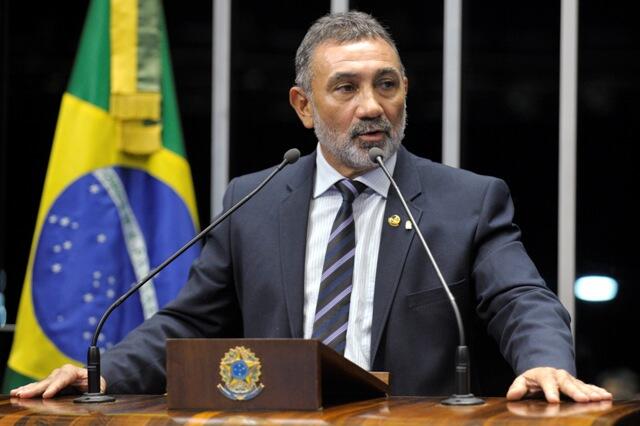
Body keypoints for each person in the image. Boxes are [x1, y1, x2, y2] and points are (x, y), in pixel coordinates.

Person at [12, 11, 611, 403]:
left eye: (387, 84)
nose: (372, 105)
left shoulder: (468, 200)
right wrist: (103, 372)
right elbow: (190, 322)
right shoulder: (251, 200)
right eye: (346, 88)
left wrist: (544, 363)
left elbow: (520, 298)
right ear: (303, 106)